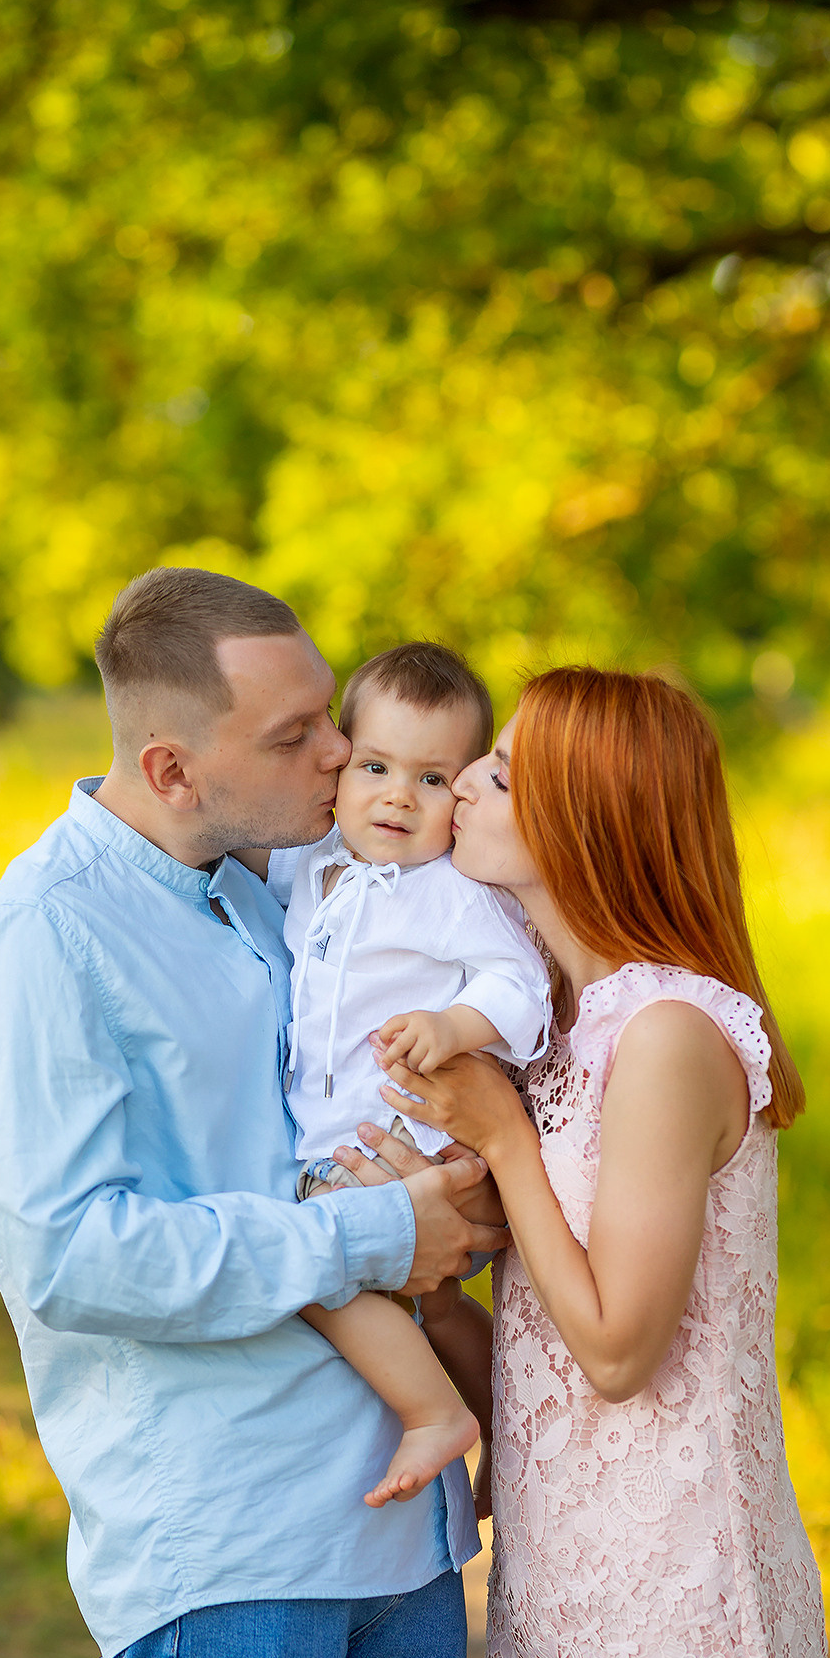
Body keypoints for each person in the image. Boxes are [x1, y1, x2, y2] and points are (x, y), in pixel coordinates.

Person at [0, 566, 508, 1658]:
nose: (338, 756)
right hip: (228, 1544)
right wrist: (377, 1235)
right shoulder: (44, 941)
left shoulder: (282, 891)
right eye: (302, 732)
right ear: (174, 764)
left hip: (398, 1526)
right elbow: (75, 1252)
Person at [346, 668, 830, 1658]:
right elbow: (541, 1350)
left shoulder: (669, 1034)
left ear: (584, 818)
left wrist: (500, 1138)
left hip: (668, 1572)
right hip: (571, 1563)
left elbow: (618, 1349)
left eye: (499, 774)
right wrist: (427, 1280)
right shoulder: (569, 1027)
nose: (459, 789)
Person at [273, 641, 551, 1508]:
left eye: (432, 779)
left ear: (462, 796)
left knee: (318, 1267)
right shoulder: (311, 868)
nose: (398, 794)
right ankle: (508, 1437)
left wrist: (452, 1023)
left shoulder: (449, 892)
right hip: (336, 1134)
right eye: (376, 766)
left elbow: (521, 985)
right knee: (423, 1304)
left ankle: (435, 1414)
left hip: (400, 1138)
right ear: (339, 766)